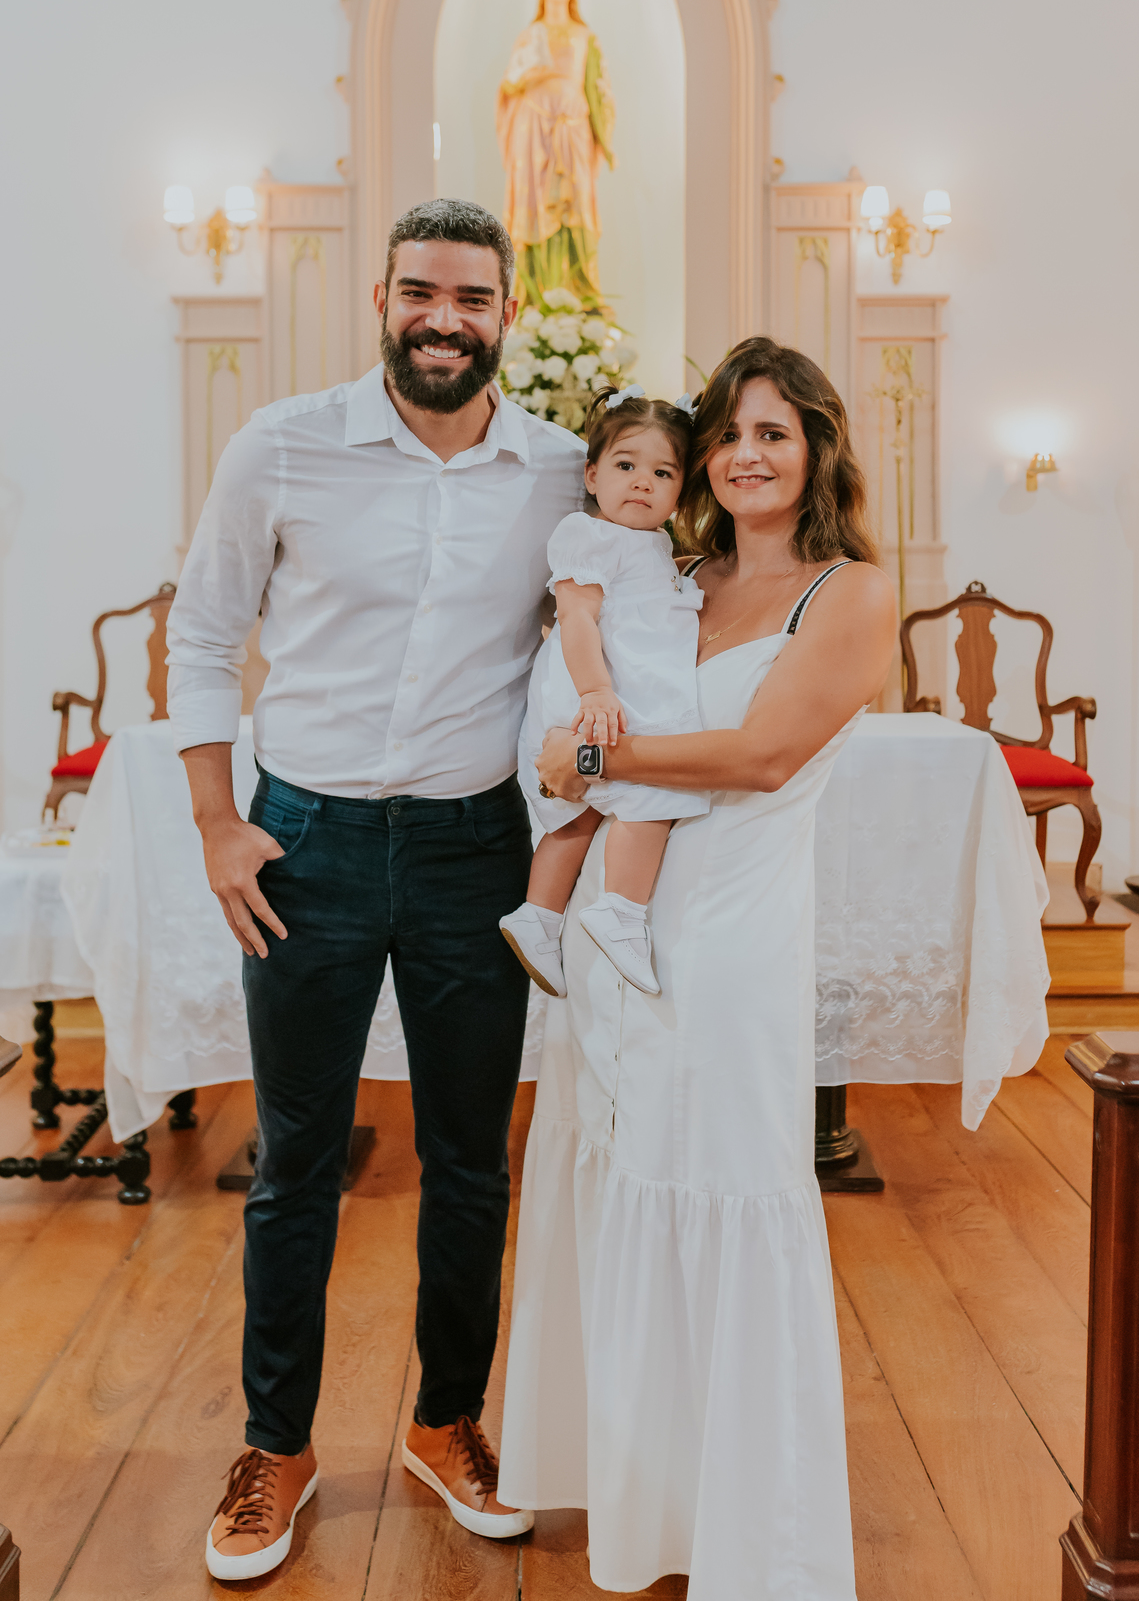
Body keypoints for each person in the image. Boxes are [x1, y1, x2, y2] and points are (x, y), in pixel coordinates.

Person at [166, 199, 584, 1579]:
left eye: (471, 297)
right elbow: (206, 629)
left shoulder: (561, 473)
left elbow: (612, 623)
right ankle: (277, 1445)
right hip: (309, 844)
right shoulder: (280, 443)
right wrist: (222, 821)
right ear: (381, 297)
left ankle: (445, 1419)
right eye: (421, 292)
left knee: (472, 1157)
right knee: (296, 1161)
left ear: (508, 311)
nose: (443, 319)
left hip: (475, 846)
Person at [497, 337, 896, 1599]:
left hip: (731, 934)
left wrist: (591, 766)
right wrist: (561, 749)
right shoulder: (677, 570)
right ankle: (639, 1494)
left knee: (721, 1174)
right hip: (627, 917)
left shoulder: (849, 591)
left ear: (817, 447)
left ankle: (747, 1526)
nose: (746, 453)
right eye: (728, 432)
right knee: (621, 1169)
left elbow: (764, 754)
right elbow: (572, 680)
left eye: (774, 431)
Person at [500, 384, 708, 1000]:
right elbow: (578, 618)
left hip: (615, 693)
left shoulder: (659, 545)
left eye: (662, 472)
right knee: (653, 795)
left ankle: (538, 916)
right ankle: (621, 909)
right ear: (592, 475)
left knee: (580, 814)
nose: (642, 482)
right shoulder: (588, 535)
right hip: (591, 694)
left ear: (680, 492)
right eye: (625, 466)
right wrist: (594, 692)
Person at [496, 0, 615, 312]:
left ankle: (582, 293)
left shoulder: (585, 36)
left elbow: (598, 88)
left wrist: (605, 137)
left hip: (573, 130)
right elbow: (509, 85)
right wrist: (528, 78)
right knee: (535, 206)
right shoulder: (530, 35)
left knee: (577, 210)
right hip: (534, 132)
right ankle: (534, 299)